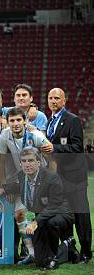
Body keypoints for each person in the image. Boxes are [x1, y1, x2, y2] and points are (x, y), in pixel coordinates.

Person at [0, 147, 78, 270]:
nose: (27, 164)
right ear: (20, 164)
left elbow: (53, 206)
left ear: (38, 163)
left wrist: (35, 222)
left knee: (49, 224)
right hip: (42, 217)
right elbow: (18, 187)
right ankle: (66, 247)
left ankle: (61, 249)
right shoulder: (22, 176)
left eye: (31, 160)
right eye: (24, 161)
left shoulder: (51, 178)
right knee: (39, 261)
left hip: (60, 213)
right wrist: (3, 189)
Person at [0, 106, 54, 263]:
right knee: (20, 215)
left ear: (25, 121)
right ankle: (31, 253)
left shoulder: (35, 134)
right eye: (12, 121)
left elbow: (52, 159)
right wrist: (5, 187)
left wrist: (51, 182)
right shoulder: (5, 135)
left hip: (41, 181)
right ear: (7, 122)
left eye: (18, 120)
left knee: (40, 217)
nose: (15, 123)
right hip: (22, 182)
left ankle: (47, 251)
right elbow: (0, 164)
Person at [47, 88, 91, 263]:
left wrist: (54, 148)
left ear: (64, 101)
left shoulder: (72, 120)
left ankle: (86, 252)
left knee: (81, 215)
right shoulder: (50, 121)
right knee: (64, 216)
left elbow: (77, 147)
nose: (53, 101)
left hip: (74, 178)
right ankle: (70, 251)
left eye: (57, 98)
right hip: (58, 178)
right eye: (50, 98)